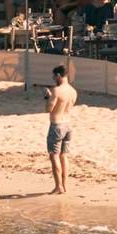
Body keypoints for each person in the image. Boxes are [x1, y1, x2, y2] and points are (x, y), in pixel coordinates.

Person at [45, 64, 77, 195]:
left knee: (54, 156)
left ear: (58, 75)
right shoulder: (73, 91)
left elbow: (49, 109)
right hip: (68, 124)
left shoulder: (56, 91)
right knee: (64, 156)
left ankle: (58, 186)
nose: (53, 78)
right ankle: (64, 185)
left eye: (54, 76)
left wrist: (47, 96)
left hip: (57, 124)